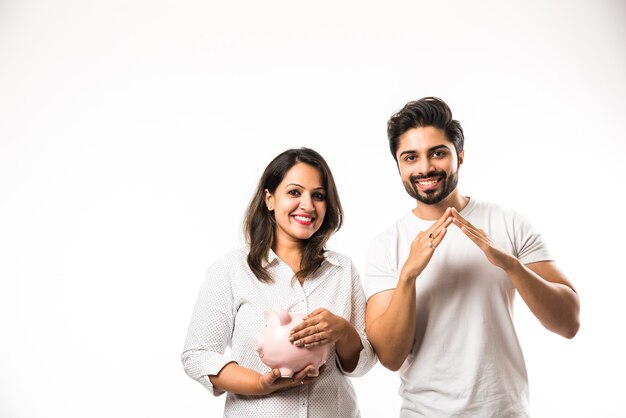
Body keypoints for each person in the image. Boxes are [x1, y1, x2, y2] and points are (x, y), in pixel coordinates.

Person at [364, 97, 580, 417]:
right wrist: (409, 274)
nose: (425, 167)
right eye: (411, 157)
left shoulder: (508, 223)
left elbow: (568, 322)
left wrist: (511, 265)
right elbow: (390, 357)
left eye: (438, 153)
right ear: (398, 166)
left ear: (460, 156)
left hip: (505, 411)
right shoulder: (387, 244)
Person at [182, 147, 376, 417]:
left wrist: (343, 331)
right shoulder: (231, 270)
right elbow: (198, 355)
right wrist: (260, 384)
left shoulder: (342, 270)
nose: (308, 205)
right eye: (295, 192)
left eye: (318, 196)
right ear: (270, 199)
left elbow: (363, 365)